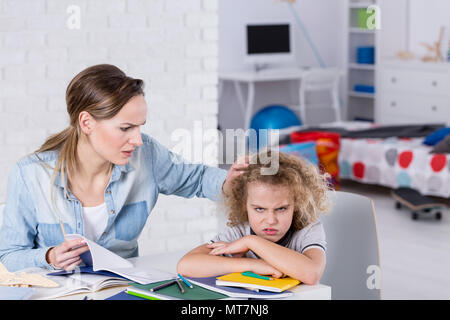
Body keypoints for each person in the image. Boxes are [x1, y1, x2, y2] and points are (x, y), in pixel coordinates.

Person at [0, 64, 245, 272]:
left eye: (140, 127)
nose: (138, 140)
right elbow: (8, 255)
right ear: (86, 122)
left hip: (120, 288)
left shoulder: (145, 155)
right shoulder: (31, 174)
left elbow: (197, 179)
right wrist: (49, 257)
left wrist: (229, 183)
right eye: (126, 128)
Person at [177, 151, 331, 285]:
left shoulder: (307, 229)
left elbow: (312, 274)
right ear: (244, 204)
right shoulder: (239, 231)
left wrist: (252, 241)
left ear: (297, 204)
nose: (270, 220)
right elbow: (186, 265)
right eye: (259, 209)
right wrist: (253, 265)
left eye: (281, 209)